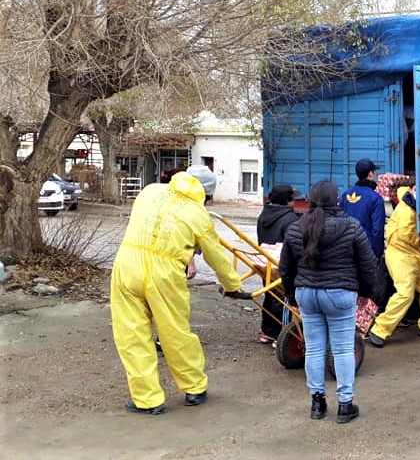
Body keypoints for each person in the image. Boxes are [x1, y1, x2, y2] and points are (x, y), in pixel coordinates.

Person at [111, 171, 251, 416]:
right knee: (175, 332)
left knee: (132, 335)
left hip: (127, 264)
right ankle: (194, 388)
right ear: (205, 193)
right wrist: (232, 285)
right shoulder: (199, 215)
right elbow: (214, 254)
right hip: (165, 272)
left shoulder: (150, 191)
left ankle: (147, 399)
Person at [279, 180, 378, 423]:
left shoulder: (295, 227)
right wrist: (366, 293)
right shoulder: (352, 227)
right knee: (343, 348)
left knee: (314, 349)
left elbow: (285, 268)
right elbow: (368, 265)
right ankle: (345, 405)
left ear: (310, 200)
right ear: (337, 200)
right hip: (340, 293)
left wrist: (292, 295)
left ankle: (317, 403)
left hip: (307, 294)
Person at [367, 184, 420, 348]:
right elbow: (409, 238)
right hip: (400, 256)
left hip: (414, 255)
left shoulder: (412, 205)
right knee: (405, 294)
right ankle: (379, 330)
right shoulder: (406, 214)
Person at [256, 183, 300, 345]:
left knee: (270, 295)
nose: (295, 201)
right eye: (292, 198)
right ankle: (283, 334)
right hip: (282, 265)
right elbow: (293, 246)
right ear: (287, 201)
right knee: (284, 299)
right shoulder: (290, 219)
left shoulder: (263, 215)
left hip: (265, 263)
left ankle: (268, 331)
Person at [340, 158, 385, 260]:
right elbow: (377, 231)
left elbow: (339, 222)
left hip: (346, 250)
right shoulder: (376, 199)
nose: (376, 175)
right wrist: (377, 255)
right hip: (367, 252)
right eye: (375, 172)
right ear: (370, 174)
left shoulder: (345, 195)